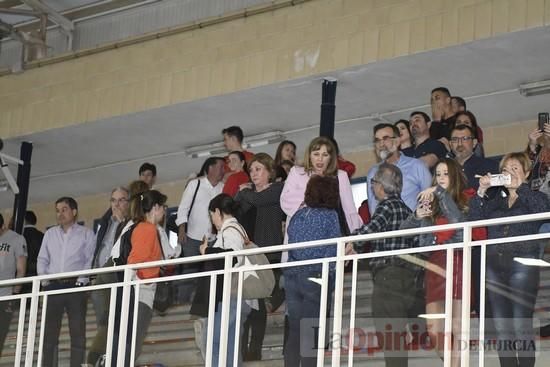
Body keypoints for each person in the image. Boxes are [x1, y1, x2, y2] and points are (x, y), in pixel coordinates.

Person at [469, 152, 550, 367]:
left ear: (526, 173)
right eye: (506, 169)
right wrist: (482, 191)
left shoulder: (536, 196)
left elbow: (543, 211)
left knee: (520, 323)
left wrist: (520, 187)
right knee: (502, 327)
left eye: (516, 168)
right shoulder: (495, 202)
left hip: (523, 264)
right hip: (494, 266)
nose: (510, 173)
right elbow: (474, 221)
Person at [401, 159, 469, 367]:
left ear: (454, 176)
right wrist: (417, 216)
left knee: (456, 328)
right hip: (433, 264)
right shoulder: (431, 203)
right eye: (438, 174)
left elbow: (457, 222)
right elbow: (403, 232)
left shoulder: (464, 200)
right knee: (434, 330)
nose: (440, 179)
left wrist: (439, 192)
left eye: (445, 174)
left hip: (456, 261)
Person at [352, 164, 420, 367]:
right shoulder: (407, 210)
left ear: (381, 185)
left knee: (388, 329)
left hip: (388, 275)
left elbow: (369, 231)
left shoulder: (386, 206)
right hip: (406, 275)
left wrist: (350, 242)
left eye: (373, 183)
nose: (373, 188)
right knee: (396, 330)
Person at [284, 175, 342, 367]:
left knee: (295, 330)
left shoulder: (298, 215)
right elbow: (333, 250)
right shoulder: (330, 216)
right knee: (310, 332)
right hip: (316, 276)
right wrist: (331, 279)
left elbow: (291, 244)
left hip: (292, 276)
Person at [235, 153, 285, 361]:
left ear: (269, 171)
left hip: (272, 253)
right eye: (252, 170)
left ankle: (254, 348)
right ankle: (248, 351)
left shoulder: (277, 189)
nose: (254, 174)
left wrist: (245, 191)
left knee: (263, 299)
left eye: (258, 169)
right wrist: (243, 193)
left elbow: (258, 199)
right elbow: (236, 209)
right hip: (252, 255)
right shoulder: (249, 195)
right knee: (252, 304)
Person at [37, 197, 95, 367]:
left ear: (74, 212)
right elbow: (42, 259)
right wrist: (45, 280)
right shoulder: (50, 234)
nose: (60, 214)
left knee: (77, 331)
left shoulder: (86, 233)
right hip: (53, 286)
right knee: (49, 333)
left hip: (75, 287)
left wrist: (81, 281)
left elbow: (89, 259)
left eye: (64, 209)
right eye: (57, 210)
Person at [196, 193, 252, 367]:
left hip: (231, 295)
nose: (212, 220)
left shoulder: (229, 230)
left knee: (213, 341)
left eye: (211, 215)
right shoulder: (237, 229)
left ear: (218, 211)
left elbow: (233, 256)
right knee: (229, 346)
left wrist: (207, 252)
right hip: (236, 295)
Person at [281, 136, 363, 243]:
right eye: (316, 154)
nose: (320, 159)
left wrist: (354, 240)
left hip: (331, 234)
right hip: (301, 234)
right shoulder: (296, 172)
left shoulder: (341, 176)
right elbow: (286, 200)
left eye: (325, 155)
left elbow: (349, 210)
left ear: (331, 158)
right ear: (309, 156)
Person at [87, 186, 130, 366]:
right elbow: (99, 247)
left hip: (117, 276)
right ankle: (105, 356)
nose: (116, 204)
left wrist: (122, 222)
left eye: (121, 200)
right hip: (100, 275)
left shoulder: (131, 222)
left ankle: (103, 358)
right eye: (113, 200)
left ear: (128, 203)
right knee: (103, 321)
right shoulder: (105, 223)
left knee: (114, 321)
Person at [175, 157, 225, 302]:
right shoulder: (195, 184)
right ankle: (182, 303)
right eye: (221, 167)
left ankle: (205, 303)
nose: (223, 170)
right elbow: (183, 208)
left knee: (210, 274)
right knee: (189, 273)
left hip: (213, 240)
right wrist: (182, 230)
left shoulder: (223, 188)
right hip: (191, 237)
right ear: (210, 169)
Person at [367, 123, 432, 214]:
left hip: (416, 226)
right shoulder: (373, 172)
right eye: (377, 140)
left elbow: (429, 200)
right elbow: (373, 208)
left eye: (386, 139)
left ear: (397, 141)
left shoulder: (417, 166)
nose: (381, 144)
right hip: (387, 227)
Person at [0, 214, 27, 358]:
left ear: (2, 226)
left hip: (4, 296)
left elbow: (21, 269)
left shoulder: (16, 239)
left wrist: (15, 295)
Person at [450, 125, 498, 190]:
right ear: (450, 144)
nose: (459, 144)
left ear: (474, 143)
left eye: (465, 138)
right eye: (455, 139)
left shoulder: (490, 166)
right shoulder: (444, 169)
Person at [21, 210, 43, 293]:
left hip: (21, 275)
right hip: (37, 274)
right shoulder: (41, 236)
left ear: (23, 221)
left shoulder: (19, 236)